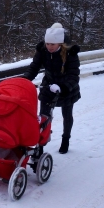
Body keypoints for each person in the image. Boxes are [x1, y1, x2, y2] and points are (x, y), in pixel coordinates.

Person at [24, 23, 81, 154]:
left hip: (66, 88)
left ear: (60, 44)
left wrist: (63, 87)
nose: (49, 47)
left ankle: (65, 139)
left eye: (52, 44)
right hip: (48, 86)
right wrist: (24, 80)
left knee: (67, 115)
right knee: (44, 116)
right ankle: (40, 144)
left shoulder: (70, 53)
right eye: (47, 43)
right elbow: (34, 67)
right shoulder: (42, 50)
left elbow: (74, 75)